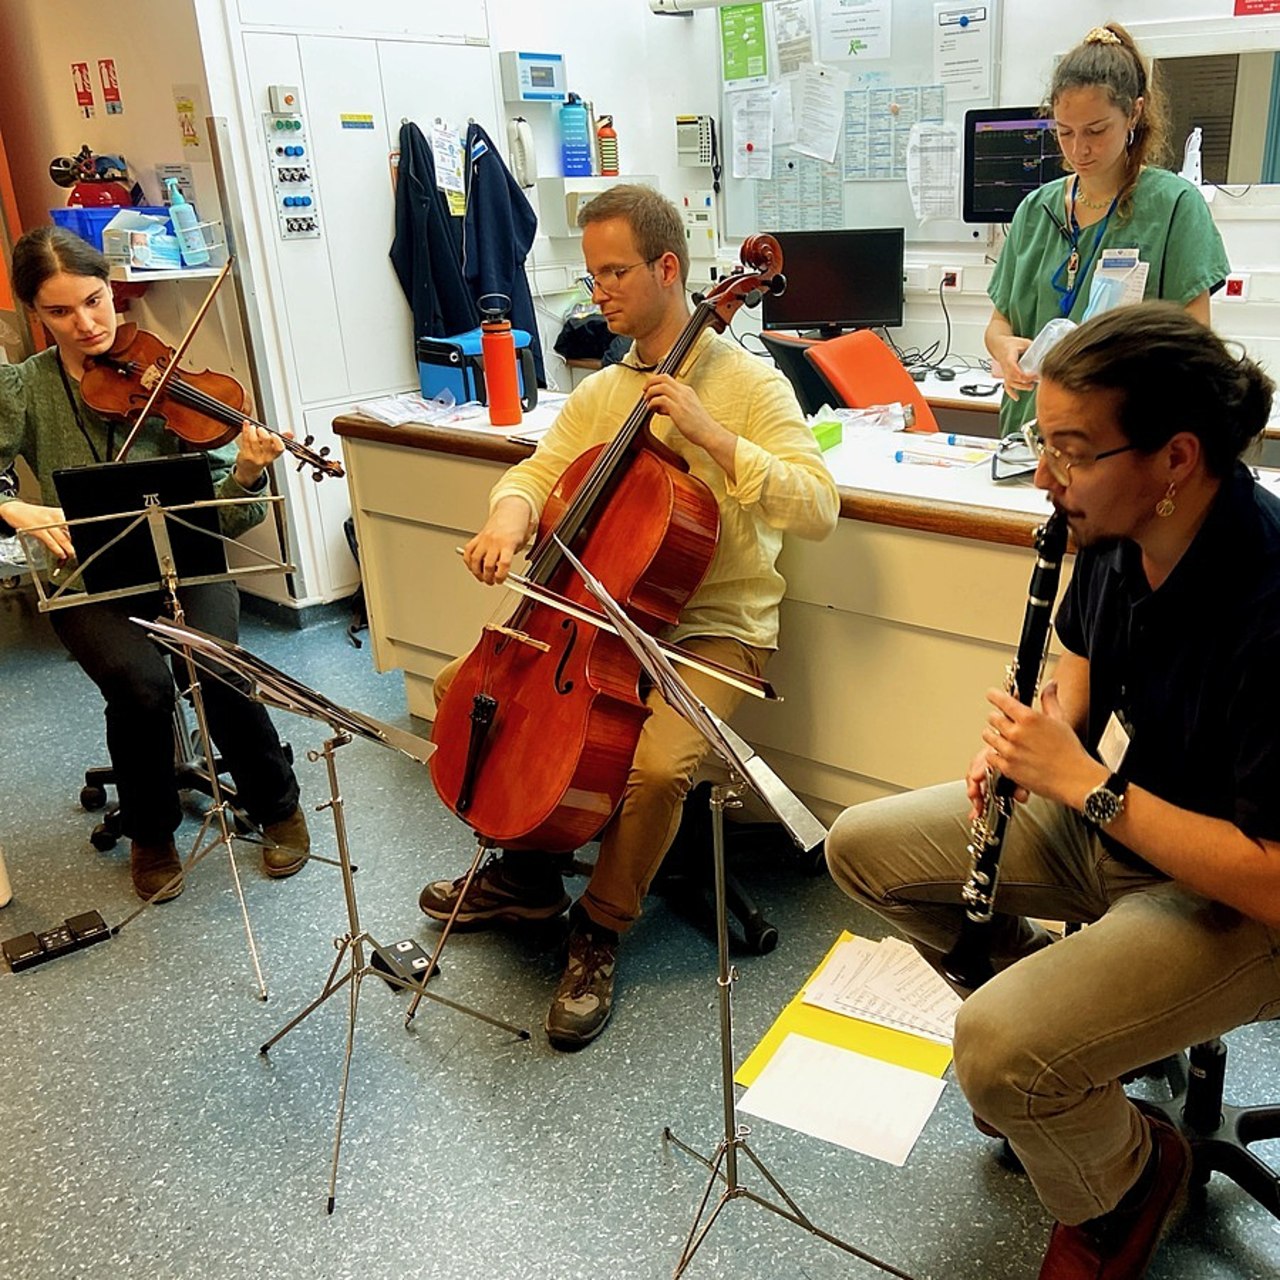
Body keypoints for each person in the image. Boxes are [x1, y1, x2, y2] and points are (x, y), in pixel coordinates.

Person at [826, 302, 1280, 1279]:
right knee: (858, 846)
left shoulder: (1269, 601)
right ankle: (1061, 1042)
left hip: (1236, 902)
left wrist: (1083, 784)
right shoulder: (1117, 527)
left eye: (1070, 451)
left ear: (1175, 458)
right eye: (1044, 443)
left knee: (993, 1047)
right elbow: (1076, 672)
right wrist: (1031, 747)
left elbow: (1272, 880)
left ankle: (1128, 1178)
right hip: (1115, 819)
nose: (1044, 476)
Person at [418, 184, 839, 1048]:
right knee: (468, 689)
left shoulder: (751, 384)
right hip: (600, 619)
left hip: (713, 627)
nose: (598, 292)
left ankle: (600, 927)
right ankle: (528, 875)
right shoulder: (606, 390)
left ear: (668, 268)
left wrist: (714, 436)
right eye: (593, 274)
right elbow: (539, 472)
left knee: (655, 765)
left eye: (614, 273)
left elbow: (817, 505)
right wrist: (508, 518)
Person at [0, 226, 310, 902]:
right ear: (36, 314)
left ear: (112, 290)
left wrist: (246, 474)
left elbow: (227, 517)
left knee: (216, 664)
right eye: (60, 312)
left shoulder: (169, 378)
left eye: (94, 301)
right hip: (88, 576)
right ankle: (151, 833)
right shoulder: (22, 388)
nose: (86, 325)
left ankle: (278, 804)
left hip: (186, 564)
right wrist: (15, 507)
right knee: (140, 685)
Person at [986, 22, 1230, 438]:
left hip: (1125, 436)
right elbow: (998, 324)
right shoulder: (1036, 211)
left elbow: (1194, 342)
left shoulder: (1173, 207)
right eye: (1065, 132)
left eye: (1096, 131)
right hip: (1032, 432)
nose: (1079, 149)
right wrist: (1005, 348)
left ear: (1134, 112)